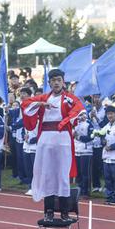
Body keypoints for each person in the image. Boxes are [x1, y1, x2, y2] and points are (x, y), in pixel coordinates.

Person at [21, 69, 84, 221]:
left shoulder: (69, 98)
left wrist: (65, 121)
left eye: (59, 80)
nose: (56, 82)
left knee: (62, 174)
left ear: (63, 82)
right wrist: (40, 104)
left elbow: (79, 109)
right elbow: (25, 104)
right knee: (47, 174)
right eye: (53, 80)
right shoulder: (44, 97)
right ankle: (48, 211)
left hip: (62, 138)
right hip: (45, 139)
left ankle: (64, 212)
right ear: (49, 82)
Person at [73, 111, 93, 197]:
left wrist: (78, 137)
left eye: (82, 114)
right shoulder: (75, 124)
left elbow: (90, 137)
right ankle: (79, 189)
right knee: (78, 173)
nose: (80, 117)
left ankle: (86, 191)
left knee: (85, 173)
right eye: (79, 115)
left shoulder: (88, 124)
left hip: (86, 151)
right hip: (77, 151)